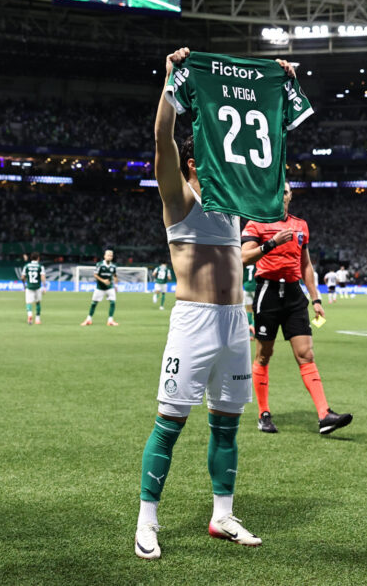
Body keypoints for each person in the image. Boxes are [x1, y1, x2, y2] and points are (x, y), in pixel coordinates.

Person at [135, 46, 270, 560]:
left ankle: (223, 515)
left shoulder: (233, 209)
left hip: (236, 322)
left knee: (228, 424)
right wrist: (170, 79)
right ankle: (148, 521)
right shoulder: (181, 198)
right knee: (170, 424)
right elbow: (161, 138)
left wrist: (277, 87)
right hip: (194, 323)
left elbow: (263, 144)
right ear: (195, 163)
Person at [241, 183, 352, 436]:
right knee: (264, 354)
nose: (281, 194)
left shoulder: (301, 225)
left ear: (291, 196)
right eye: (277, 190)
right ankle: (263, 414)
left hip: (293, 294)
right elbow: (244, 256)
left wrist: (316, 300)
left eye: (286, 191)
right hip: (267, 293)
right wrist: (271, 244)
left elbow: (306, 265)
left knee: (306, 354)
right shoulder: (255, 224)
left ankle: (324, 414)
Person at [81, 249, 119, 326]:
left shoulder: (113, 266)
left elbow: (114, 275)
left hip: (110, 287)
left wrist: (116, 284)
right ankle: (88, 319)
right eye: (108, 255)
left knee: (113, 302)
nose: (109, 257)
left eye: (111, 255)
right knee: (94, 303)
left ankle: (110, 320)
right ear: (104, 256)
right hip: (100, 288)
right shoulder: (100, 264)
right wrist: (103, 281)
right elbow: (95, 274)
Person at [21, 252, 46, 324]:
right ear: (38, 258)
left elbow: (22, 277)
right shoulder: (40, 266)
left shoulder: (26, 266)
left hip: (29, 287)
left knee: (28, 302)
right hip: (38, 287)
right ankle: (37, 319)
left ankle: (30, 316)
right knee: (37, 302)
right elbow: (43, 277)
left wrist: (24, 285)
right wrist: (44, 287)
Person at [242, 264, 256, 334]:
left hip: (246, 288)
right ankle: (254, 328)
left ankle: (250, 334)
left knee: (248, 310)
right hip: (256, 287)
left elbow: (242, 276)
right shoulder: (257, 260)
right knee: (258, 311)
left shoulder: (246, 262)